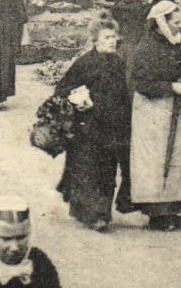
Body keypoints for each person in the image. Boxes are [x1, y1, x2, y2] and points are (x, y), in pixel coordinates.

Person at [125, 0, 181, 229]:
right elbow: (141, 83)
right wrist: (169, 87)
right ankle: (158, 214)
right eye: (175, 22)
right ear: (161, 23)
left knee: (178, 159)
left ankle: (173, 209)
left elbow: (178, 65)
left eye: (180, 22)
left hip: (175, 109)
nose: (179, 26)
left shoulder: (176, 42)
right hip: (153, 113)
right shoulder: (147, 48)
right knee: (157, 161)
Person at [53, 24, 131, 231]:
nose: (112, 41)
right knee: (87, 169)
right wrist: (79, 99)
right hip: (87, 127)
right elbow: (63, 89)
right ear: (95, 41)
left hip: (113, 126)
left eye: (114, 37)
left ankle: (102, 213)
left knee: (108, 170)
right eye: (107, 37)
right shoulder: (84, 62)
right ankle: (90, 214)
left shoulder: (119, 62)